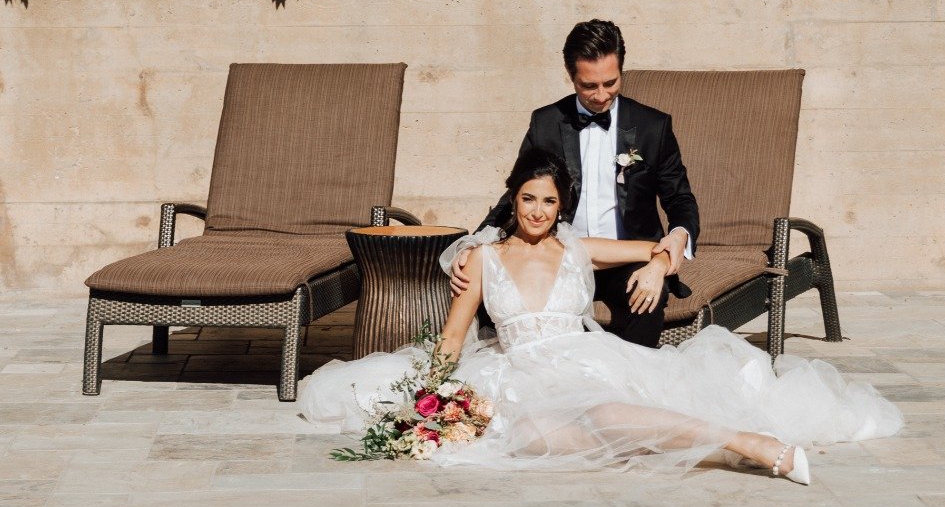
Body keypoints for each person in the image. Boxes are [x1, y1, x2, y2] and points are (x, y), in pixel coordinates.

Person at [299, 153, 903, 477]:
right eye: (528, 198)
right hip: (516, 369)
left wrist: (662, 261)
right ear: (513, 199)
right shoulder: (482, 259)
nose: (537, 210)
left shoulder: (577, 249)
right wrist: (428, 399)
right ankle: (711, 451)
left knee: (601, 411)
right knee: (532, 438)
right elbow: (454, 337)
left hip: (579, 357)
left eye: (549, 201)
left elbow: (656, 244)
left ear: (563, 207)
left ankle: (744, 441)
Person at [450, 18, 698, 347]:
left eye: (610, 83)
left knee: (647, 300)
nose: (601, 95)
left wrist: (673, 244)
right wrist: (474, 244)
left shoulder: (653, 126)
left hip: (628, 256)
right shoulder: (546, 123)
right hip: (559, 256)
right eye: (588, 86)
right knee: (497, 294)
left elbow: (679, 198)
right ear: (571, 76)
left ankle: (631, 388)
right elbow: (516, 195)